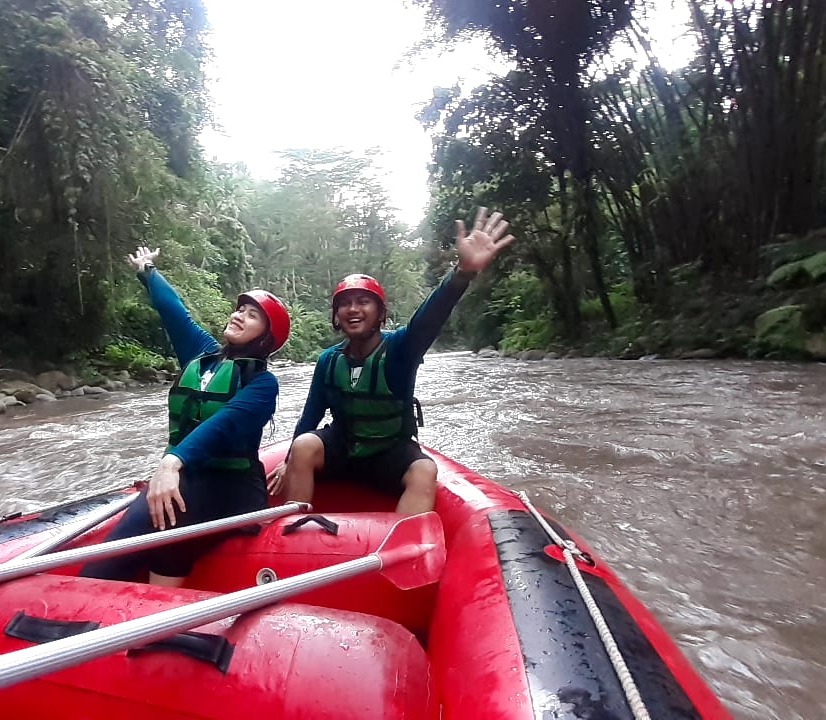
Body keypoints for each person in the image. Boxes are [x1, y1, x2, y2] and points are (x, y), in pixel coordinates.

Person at [267, 207, 515, 515]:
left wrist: (461, 274)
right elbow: (310, 417)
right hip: (343, 449)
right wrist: (290, 460)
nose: (353, 309)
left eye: (363, 301)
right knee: (304, 445)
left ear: (381, 314)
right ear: (336, 316)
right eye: (344, 304)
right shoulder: (329, 361)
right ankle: (293, 527)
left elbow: (429, 319)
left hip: (389, 453)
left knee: (424, 471)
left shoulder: (400, 350)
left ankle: (403, 549)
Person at [80, 246, 290, 587]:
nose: (238, 315)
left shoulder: (262, 384)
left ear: (266, 338)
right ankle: (118, 605)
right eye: (240, 309)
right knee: (156, 540)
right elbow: (175, 313)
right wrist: (148, 270)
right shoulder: (202, 354)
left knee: (160, 524)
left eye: (252, 315)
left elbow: (225, 424)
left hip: (231, 488)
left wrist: (171, 462)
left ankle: (95, 604)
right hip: (190, 479)